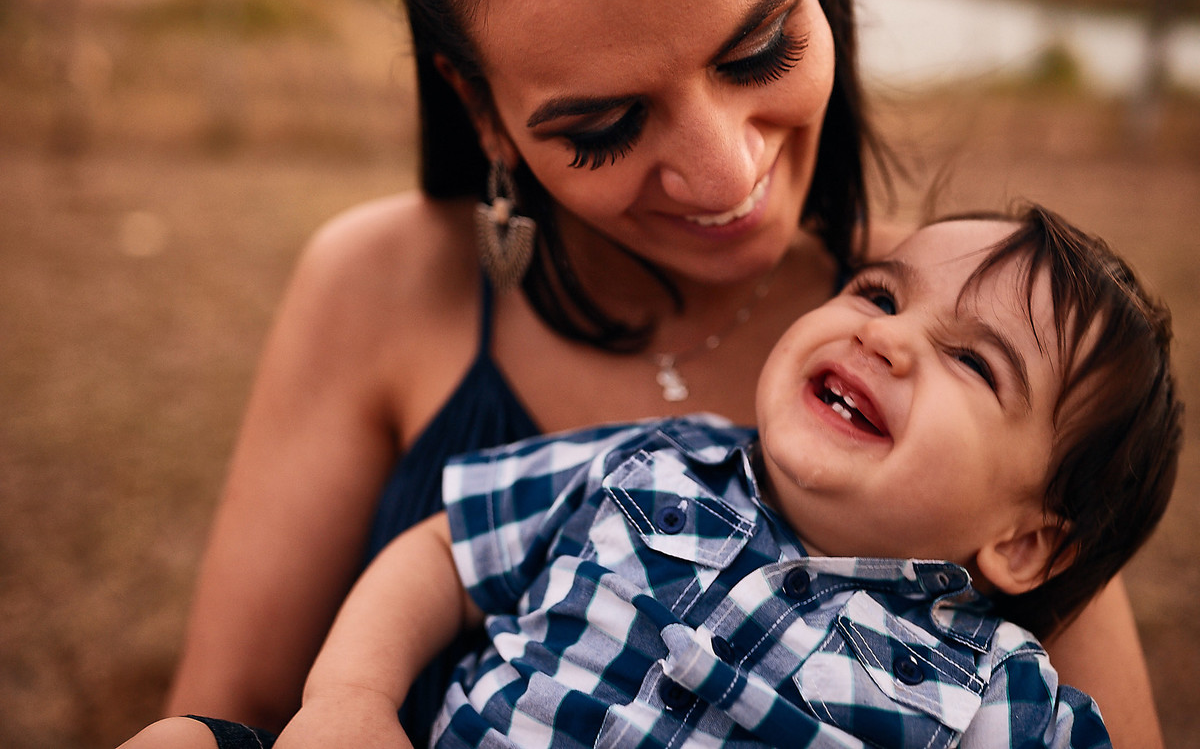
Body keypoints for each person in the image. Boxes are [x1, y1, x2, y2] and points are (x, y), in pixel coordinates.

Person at [160, 0, 1167, 745]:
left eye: (760, 49)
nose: (724, 172)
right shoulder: (378, 284)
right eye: (604, 124)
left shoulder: (1033, 371)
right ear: (483, 113)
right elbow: (233, 704)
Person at [123, 206, 1180, 748]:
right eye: (877, 295)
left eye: (973, 363)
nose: (886, 338)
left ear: (1025, 542)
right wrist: (352, 698)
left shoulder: (998, 697)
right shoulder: (648, 462)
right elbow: (445, 548)